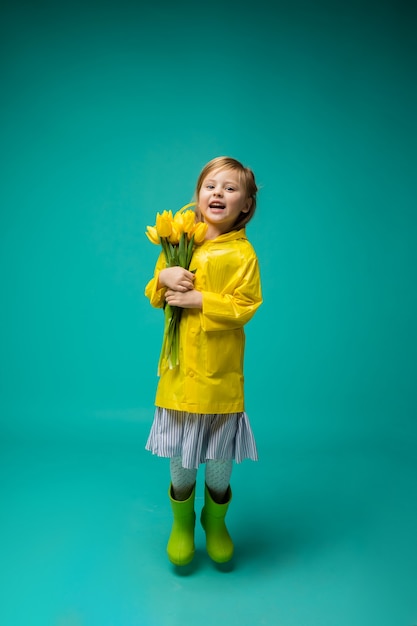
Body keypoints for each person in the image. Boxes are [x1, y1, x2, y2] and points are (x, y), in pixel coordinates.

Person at [145, 156, 263, 566]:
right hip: (179, 374)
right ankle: (182, 522)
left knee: (218, 459)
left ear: (245, 204)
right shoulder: (179, 240)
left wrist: (200, 300)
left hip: (219, 375)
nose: (219, 193)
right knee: (181, 455)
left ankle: (215, 520)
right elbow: (156, 292)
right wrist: (162, 279)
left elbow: (246, 304)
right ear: (198, 195)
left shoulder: (242, 254)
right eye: (211, 186)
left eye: (231, 189)